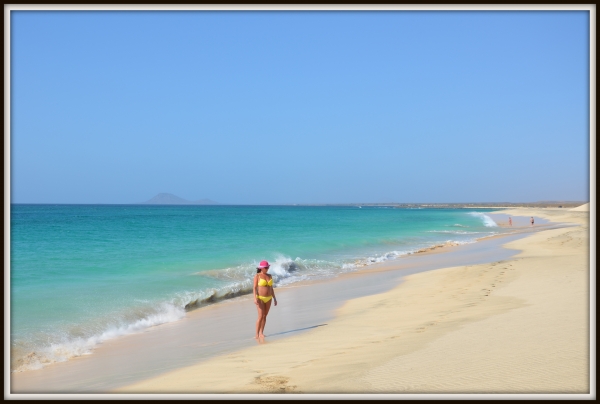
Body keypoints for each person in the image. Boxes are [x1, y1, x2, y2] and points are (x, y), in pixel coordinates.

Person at [253, 260, 277, 339]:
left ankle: (261, 333)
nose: (267, 268)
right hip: (260, 298)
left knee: (265, 316)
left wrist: (274, 298)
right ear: (261, 268)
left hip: (269, 298)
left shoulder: (269, 276)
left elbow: (271, 288)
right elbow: (255, 287)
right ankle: (256, 334)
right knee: (260, 316)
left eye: (268, 267)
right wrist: (255, 298)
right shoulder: (257, 276)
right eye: (266, 267)